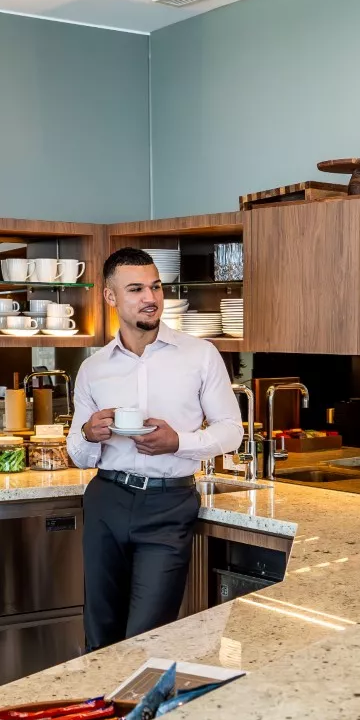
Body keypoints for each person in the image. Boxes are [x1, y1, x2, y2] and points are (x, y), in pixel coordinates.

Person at [68, 247, 244, 650]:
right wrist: (90, 434)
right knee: (101, 634)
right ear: (111, 298)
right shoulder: (94, 368)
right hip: (106, 500)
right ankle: (104, 711)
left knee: (148, 637)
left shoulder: (200, 355)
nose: (150, 297)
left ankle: (141, 713)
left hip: (168, 506)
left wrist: (178, 441)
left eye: (155, 286)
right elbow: (78, 454)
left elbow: (232, 431)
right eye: (136, 289)